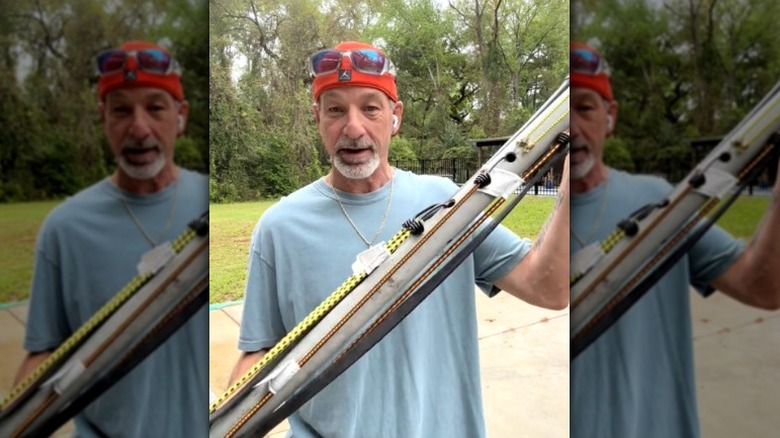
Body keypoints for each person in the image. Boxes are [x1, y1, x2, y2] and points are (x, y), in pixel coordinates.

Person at [229, 41, 569, 437]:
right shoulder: (279, 228)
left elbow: (549, 289)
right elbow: (255, 360)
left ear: (395, 116)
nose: (353, 127)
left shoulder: (451, 206)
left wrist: (570, 193)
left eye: (370, 107)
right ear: (317, 117)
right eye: (335, 109)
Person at [569, 41, 780, 437]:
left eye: (584, 108)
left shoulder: (658, 201)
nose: (572, 127)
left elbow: (763, 287)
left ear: (610, 117)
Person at [15, 40, 209, 437]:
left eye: (155, 107)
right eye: (121, 110)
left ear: (180, 115)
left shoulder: (209, 203)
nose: (138, 128)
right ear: (104, 118)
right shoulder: (65, 228)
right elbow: (44, 356)